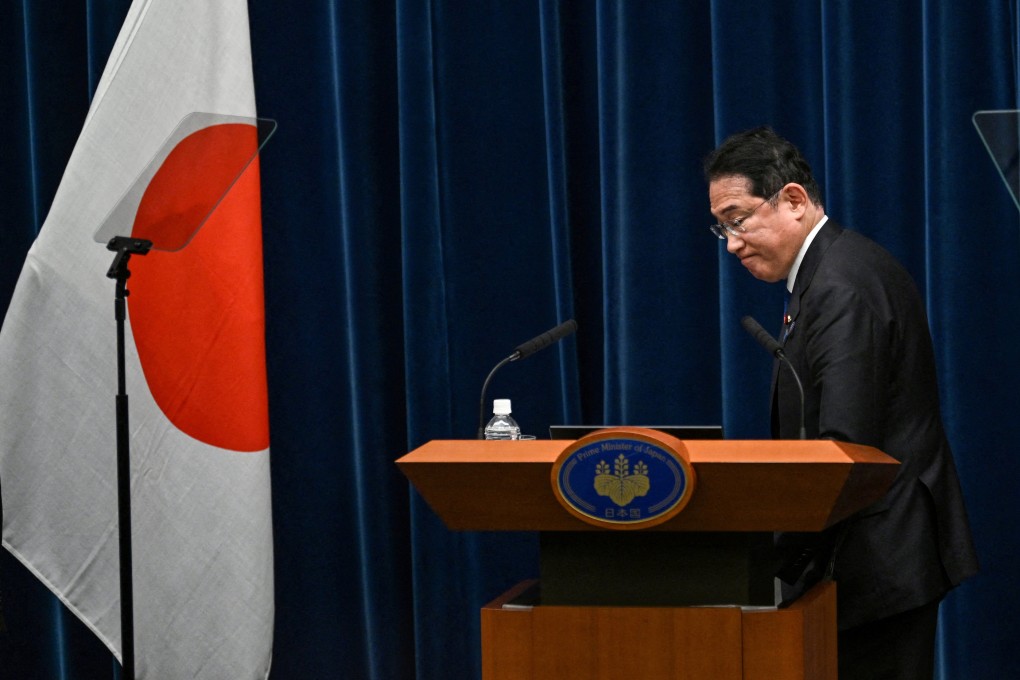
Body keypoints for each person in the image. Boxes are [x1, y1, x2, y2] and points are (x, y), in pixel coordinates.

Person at [703, 126, 979, 680]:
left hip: (878, 561)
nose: (731, 243)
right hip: (876, 554)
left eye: (738, 219)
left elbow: (843, 450)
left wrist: (772, 559)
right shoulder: (831, 272)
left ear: (795, 201)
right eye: (722, 228)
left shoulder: (841, 285)